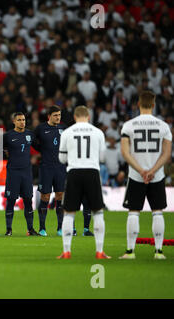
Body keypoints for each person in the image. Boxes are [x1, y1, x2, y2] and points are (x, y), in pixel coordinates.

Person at [119, 91, 172, 260]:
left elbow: (125, 152)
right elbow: (166, 154)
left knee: (133, 212)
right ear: (154, 104)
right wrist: (152, 171)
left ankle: (130, 251)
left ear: (138, 104)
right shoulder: (164, 126)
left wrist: (141, 170)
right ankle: (158, 252)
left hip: (136, 175)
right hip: (156, 176)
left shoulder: (128, 125)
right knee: (157, 212)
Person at [57, 106, 110, 259]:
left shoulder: (67, 132)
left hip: (74, 172)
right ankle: (99, 251)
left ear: (74, 117)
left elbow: (62, 159)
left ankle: (66, 251)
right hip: (92, 172)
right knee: (98, 212)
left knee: (69, 213)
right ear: (88, 116)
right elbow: (102, 158)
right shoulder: (98, 132)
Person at [34, 105, 94, 237]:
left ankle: (60, 228)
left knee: (60, 196)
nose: (58, 117)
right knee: (45, 196)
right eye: (55, 115)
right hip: (46, 167)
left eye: (59, 115)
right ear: (49, 116)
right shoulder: (41, 128)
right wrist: (41, 149)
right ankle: (42, 228)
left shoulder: (64, 128)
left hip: (61, 167)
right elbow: (33, 141)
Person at [3, 112, 39, 236]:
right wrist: (5, 154)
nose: (22, 122)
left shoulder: (30, 134)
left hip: (26, 172)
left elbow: (39, 147)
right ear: (14, 121)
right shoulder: (7, 136)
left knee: (28, 200)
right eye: (19, 120)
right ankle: (9, 229)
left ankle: (30, 229)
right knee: (11, 200)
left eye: (23, 119)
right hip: (13, 172)